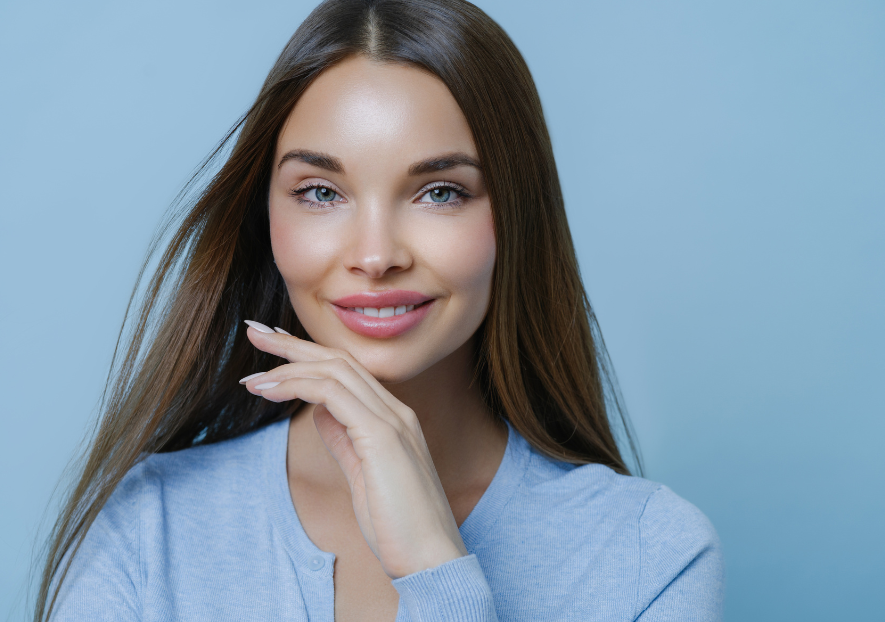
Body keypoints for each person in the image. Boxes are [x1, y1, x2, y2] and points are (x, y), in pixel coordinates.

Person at [36, 0, 725, 620]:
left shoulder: (649, 556)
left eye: (440, 192)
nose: (374, 255)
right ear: (265, 220)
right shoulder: (151, 525)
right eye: (319, 192)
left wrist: (433, 566)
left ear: (516, 217)